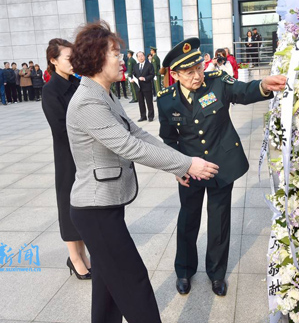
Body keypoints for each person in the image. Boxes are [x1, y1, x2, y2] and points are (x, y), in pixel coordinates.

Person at [66, 21, 219, 323]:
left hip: (105, 204)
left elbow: (137, 133)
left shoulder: (104, 94)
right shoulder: (87, 101)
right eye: (115, 53)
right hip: (94, 210)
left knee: (108, 288)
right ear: (96, 57)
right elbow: (129, 146)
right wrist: (188, 164)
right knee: (133, 280)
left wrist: (178, 160)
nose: (121, 58)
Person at [156, 37, 287, 297]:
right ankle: (183, 271)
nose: (197, 76)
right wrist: (178, 168)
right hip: (190, 169)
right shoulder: (166, 100)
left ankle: (216, 274)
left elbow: (242, 90)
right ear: (175, 74)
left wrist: (262, 85)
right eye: (189, 72)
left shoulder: (217, 83)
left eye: (199, 69)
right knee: (187, 220)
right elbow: (169, 138)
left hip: (220, 166)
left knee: (219, 221)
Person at [41, 38, 92, 281]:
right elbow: (60, 129)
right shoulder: (50, 90)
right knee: (68, 203)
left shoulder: (78, 83)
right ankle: (74, 257)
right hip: (68, 155)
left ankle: (83, 253)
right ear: (53, 60)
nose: (73, 63)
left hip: (87, 153)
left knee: (84, 205)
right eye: (67, 59)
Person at [134, 51, 155, 122]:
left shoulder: (149, 65)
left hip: (147, 86)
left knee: (149, 102)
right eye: (139, 56)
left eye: (142, 55)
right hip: (139, 88)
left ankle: (151, 116)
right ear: (137, 58)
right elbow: (133, 74)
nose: (141, 57)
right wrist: (132, 79)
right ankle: (143, 116)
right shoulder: (136, 66)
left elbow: (152, 75)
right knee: (141, 102)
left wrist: (145, 78)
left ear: (144, 56)